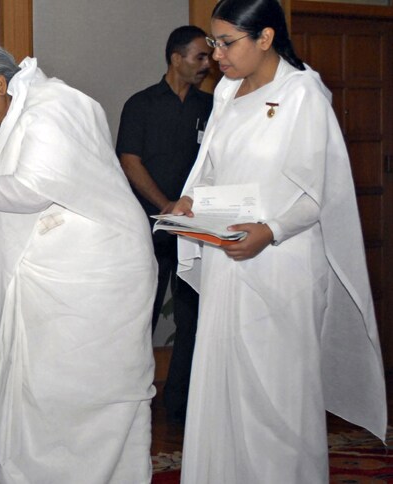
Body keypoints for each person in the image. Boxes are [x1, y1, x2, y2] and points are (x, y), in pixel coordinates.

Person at [0, 42, 157, 483]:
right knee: (36, 398)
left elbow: (31, 188)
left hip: (93, 279)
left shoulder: (55, 106)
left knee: (83, 396)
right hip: (45, 280)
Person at [170, 1, 387, 482]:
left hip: (281, 262)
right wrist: (189, 201)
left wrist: (272, 231)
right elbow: (209, 166)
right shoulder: (226, 92)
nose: (217, 56)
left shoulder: (303, 93)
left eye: (227, 43)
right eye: (213, 43)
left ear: (265, 38)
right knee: (225, 385)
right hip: (228, 256)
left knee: (277, 395)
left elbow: (321, 194)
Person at [116, 25, 212, 424]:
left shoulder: (210, 107)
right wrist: (164, 205)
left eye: (210, 57)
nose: (208, 64)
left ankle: (183, 405)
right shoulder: (141, 104)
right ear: (176, 58)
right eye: (200, 57)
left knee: (193, 317)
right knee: (143, 315)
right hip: (148, 228)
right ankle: (130, 400)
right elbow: (129, 160)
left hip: (194, 230)